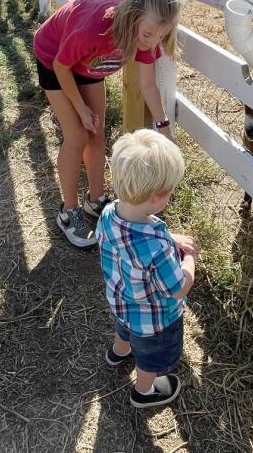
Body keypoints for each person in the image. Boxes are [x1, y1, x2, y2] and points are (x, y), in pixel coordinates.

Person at [31, 0, 179, 248]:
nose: (152, 41)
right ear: (132, 15)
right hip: (54, 59)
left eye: (162, 34)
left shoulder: (144, 38)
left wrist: (164, 127)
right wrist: (80, 107)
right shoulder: (94, 30)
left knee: (96, 133)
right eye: (148, 33)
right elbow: (62, 67)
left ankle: (95, 199)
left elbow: (147, 85)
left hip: (88, 65)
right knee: (76, 135)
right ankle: (69, 210)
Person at [97, 129, 197, 409]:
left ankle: (119, 351)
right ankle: (144, 390)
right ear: (158, 196)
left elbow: (134, 235)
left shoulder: (108, 214)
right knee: (150, 357)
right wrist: (190, 259)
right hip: (154, 321)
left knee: (124, 330)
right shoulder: (157, 249)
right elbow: (177, 288)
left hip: (120, 302)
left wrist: (170, 237)